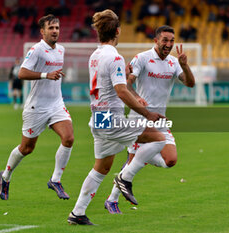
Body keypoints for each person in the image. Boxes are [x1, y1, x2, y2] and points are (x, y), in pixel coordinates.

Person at [67, 9, 166, 225]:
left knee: (101, 167)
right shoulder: (115, 57)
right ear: (118, 31)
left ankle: (77, 213)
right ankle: (125, 178)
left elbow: (114, 87)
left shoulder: (95, 55)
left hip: (98, 118)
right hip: (112, 119)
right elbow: (120, 90)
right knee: (159, 139)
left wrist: (130, 85)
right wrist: (146, 113)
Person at [104, 25, 195, 214]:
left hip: (159, 120)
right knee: (131, 163)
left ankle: (135, 162)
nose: (168, 44)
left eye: (171, 40)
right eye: (165, 40)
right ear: (156, 40)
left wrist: (185, 65)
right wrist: (137, 97)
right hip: (139, 118)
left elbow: (190, 83)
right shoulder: (142, 58)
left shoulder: (173, 62)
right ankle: (112, 200)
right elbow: (126, 84)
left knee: (170, 160)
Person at [0, 14, 74, 201]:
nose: (55, 31)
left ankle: (55, 180)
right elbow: (22, 73)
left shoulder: (61, 50)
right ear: (42, 31)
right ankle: (6, 176)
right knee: (27, 148)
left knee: (69, 138)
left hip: (56, 104)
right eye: (51, 28)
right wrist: (46, 75)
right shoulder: (36, 50)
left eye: (57, 27)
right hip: (36, 107)